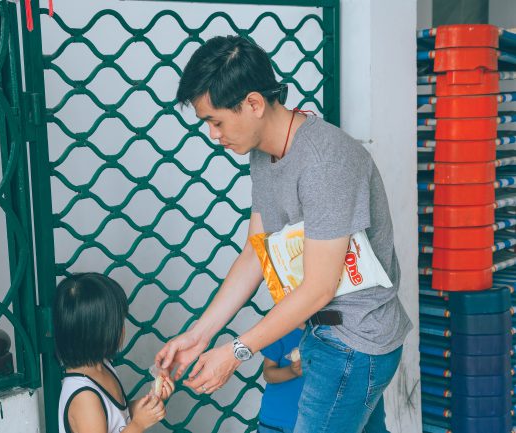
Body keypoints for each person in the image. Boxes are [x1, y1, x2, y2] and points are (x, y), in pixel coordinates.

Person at [154, 35, 412, 433]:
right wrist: (198, 335)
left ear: (254, 104)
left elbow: (319, 289)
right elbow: (255, 253)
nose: (212, 134)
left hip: (355, 342)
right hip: (323, 333)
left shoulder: (325, 163)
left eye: (216, 121)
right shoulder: (265, 153)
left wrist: (235, 352)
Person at [54, 272, 175, 433]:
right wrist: (139, 424)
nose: (123, 328)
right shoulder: (84, 397)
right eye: (119, 322)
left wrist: (149, 404)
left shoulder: (102, 365)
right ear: (99, 332)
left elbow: (116, 417)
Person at [258, 328, 304, 433]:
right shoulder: (282, 329)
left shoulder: (335, 335)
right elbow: (268, 374)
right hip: (277, 419)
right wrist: (292, 371)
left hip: (319, 422)